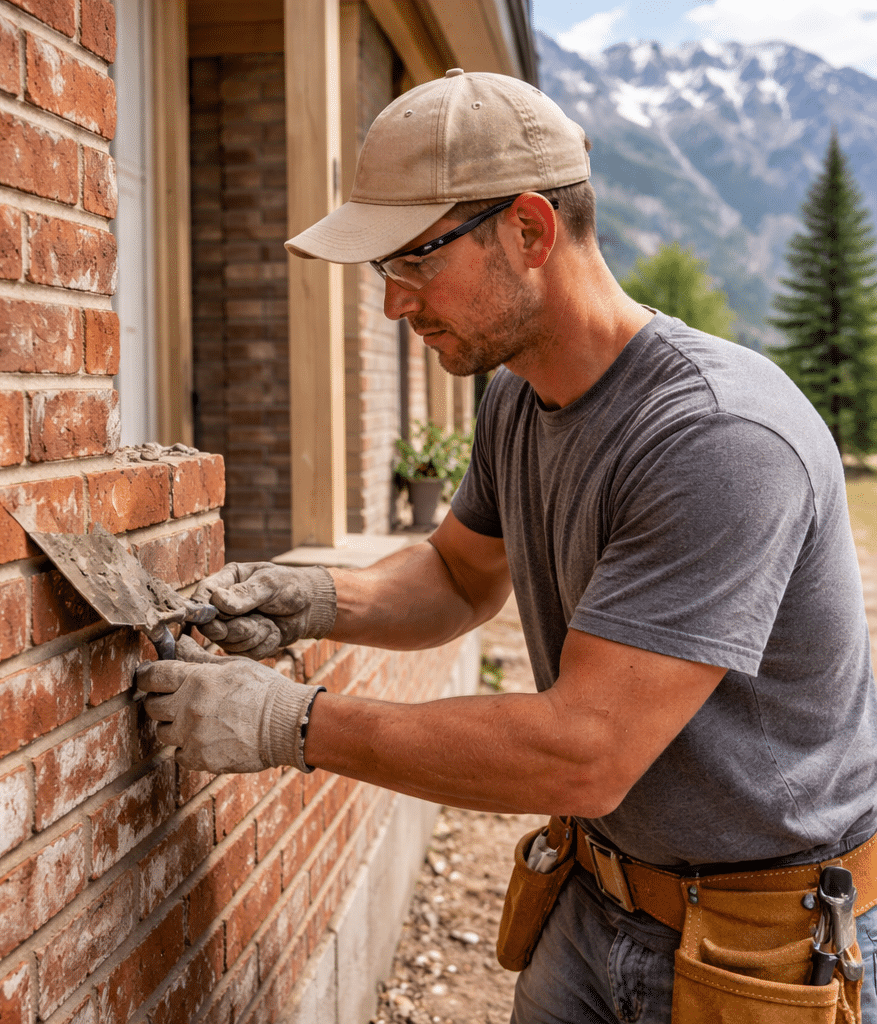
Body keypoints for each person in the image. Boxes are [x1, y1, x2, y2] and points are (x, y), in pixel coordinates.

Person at [135, 70, 877, 1022]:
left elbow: (583, 751)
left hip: (761, 943)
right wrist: (312, 599)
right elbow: (457, 575)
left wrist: (290, 721)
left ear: (530, 230)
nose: (397, 305)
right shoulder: (521, 399)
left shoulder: (718, 438)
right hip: (596, 895)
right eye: (383, 273)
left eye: (414, 261)